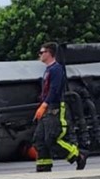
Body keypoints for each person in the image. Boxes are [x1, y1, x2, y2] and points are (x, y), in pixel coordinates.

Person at [32, 42, 87, 172]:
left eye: (41, 52)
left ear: (49, 53)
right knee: (39, 139)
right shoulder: (48, 70)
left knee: (51, 138)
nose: (39, 55)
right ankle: (43, 165)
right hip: (46, 107)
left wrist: (44, 105)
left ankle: (78, 156)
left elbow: (54, 89)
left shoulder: (56, 69)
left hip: (54, 107)